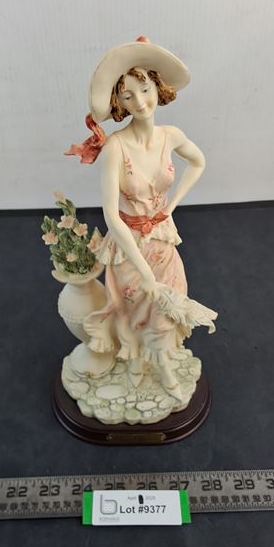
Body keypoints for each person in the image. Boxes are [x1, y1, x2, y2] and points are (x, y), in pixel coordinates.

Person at [66, 36, 213, 400]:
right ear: (120, 103)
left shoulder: (170, 136)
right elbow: (111, 215)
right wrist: (144, 272)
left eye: (144, 89)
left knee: (167, 309)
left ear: (157, 87)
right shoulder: (115, 147)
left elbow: (198, 162)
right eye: (128, 96)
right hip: (129, 250)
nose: (140, 102)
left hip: (162, 240)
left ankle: (159, 364)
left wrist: (172, 206)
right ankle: (143, 364)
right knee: (136, 311)